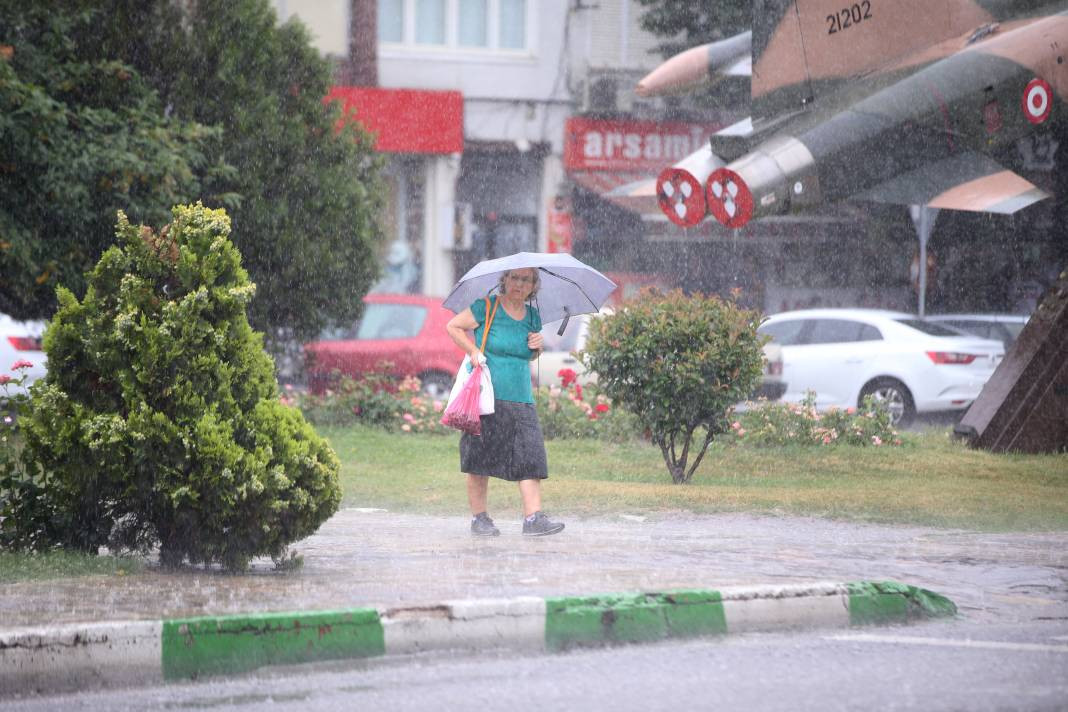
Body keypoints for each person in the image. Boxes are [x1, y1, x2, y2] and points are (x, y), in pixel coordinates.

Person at [445, 267, 565, 537]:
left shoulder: (533, 316)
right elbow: (452, 326)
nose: (519, 284)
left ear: (534, 286)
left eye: (526, 280)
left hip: (522, 398)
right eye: (514, 278)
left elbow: (528, 356)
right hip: (487, 397)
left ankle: (533, 519)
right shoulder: (486, 307)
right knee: (479, 460)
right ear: (504, 279)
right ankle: (480, 519)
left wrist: (537, 347)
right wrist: (473, 350)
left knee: (530, 458)